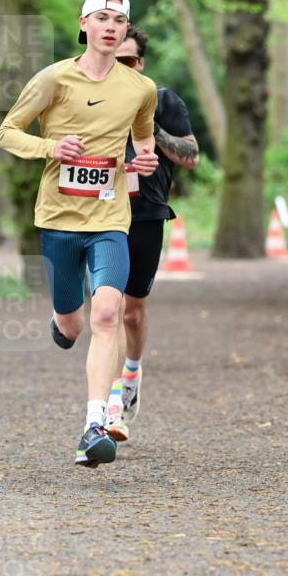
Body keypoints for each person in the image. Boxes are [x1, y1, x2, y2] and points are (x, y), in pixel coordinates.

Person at [0, 0, 158, 469]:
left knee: (108, 313)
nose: (110, 27)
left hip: (110, 218)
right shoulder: (53, 78)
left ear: (127, 31)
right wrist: (51, 149)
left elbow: (144, 138)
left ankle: (93, 426)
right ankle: (62, 322)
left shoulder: (140, 88)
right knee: (74, 323)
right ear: (84, 24)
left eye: (119, 21)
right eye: (101, 18)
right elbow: (8, 131)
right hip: (58, 218)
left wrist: (144, 159)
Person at [106, 26, 199, 440]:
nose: (120, 68)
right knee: (106, 311)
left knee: (131, 311)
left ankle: (131, 373)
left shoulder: (163, 100)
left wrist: (147, 127)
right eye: (113, 60)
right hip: (101, 215)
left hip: (147, 213)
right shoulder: (91, 98)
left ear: (140, 63)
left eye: (128, 61)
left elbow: (192, 155)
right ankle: (108, 408)